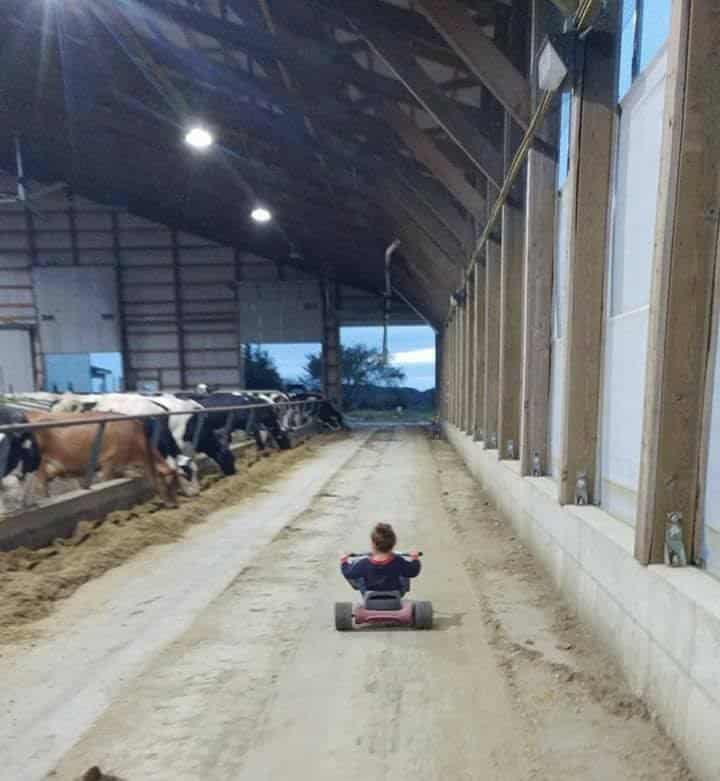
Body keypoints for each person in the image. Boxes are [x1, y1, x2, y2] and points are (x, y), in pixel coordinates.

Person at [340, 522, 421, 596]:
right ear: (393, 543)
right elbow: (414, 571)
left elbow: (347, 573)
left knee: (356, 571)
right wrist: (415, 559)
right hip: (395, 597)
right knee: (404, 573)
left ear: (372, 544)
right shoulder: (398, 561)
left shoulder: (364, 564)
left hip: (370, 597)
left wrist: (344, 561)